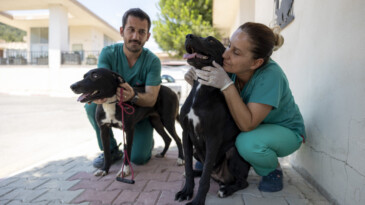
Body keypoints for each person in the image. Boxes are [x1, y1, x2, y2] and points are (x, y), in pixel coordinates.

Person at [185, 22, 306, 192]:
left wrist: (226, 86)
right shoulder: (232, 67)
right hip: (255, 125)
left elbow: (247, 124)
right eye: (229, 46)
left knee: (248, 143)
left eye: (236, 52)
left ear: (256, 63)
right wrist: (197, 81)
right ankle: (212, 162)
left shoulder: (271, 75)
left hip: (285, 131)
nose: (226, 55)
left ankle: (272, 170)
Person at [84, 8, 161, 168]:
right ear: (121, 31)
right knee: (91, 106)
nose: (135, 36)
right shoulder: (108, 53)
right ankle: (111, 150)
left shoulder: (153, 61)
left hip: (139, 115)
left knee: (139, 158)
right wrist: (98, 96)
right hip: (113, 108)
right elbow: (100, 84)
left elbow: (152, 99)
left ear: (147, 36)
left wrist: (133, 95)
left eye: (141, 32)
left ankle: (145, 141)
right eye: (131, 30)